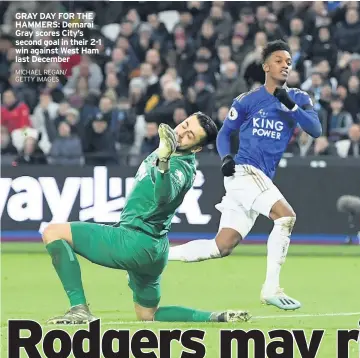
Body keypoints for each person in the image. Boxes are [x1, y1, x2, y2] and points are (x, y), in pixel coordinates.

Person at [42, 113, 251, 325]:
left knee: (53, 232)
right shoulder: (167, 150)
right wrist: (164, 155)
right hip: (155, 251)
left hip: (134, 242)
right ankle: (216, 317)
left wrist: (164, 161)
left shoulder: (180, 167)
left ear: (196, 149)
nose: (181, 133)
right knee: (147, 315)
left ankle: (79, 309)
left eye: (190, 136)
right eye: (184, 125)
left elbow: (164, 195)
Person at [167, 40, 322, 311]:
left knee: (221, 246)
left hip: (261, 177)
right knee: (286, 217)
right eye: (278, 60)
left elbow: (316, 129)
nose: (285, 64)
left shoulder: (298, 97)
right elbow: (226, 133)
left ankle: (158, 254)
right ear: (265, 66)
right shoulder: (248, 100)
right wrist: (226, 157)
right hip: (245, 171)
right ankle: (271, 288)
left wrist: (292, 108)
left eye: (288, 61)